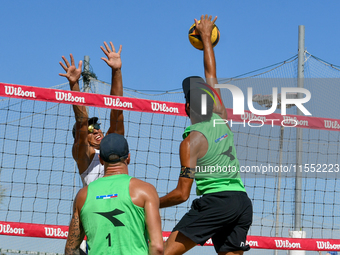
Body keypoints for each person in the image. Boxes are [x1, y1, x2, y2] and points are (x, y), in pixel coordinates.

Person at [159, 15, 253, 255]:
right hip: (241, 202)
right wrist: (206, 38)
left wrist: (151, 203)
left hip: (216, 202)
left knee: (165, 251)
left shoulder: (190, 142)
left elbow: (182, 194)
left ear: (186, 108)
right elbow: (211, 72)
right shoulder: (221, 116)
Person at [65, 133, 164, 255]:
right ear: (128, 158)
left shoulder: (83, 195)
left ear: (101, 159)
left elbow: (70, 250)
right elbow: (157, 247)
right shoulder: (145, 190)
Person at [59, 42, 124, 186]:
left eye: (96, 125)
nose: (95, 129)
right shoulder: (85, 155)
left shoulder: (114, 145)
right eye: (90, 129)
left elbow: (117, 109)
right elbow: (82, 120)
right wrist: (74, 85)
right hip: (96, 206)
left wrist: (117, 71)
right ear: (82, 137)